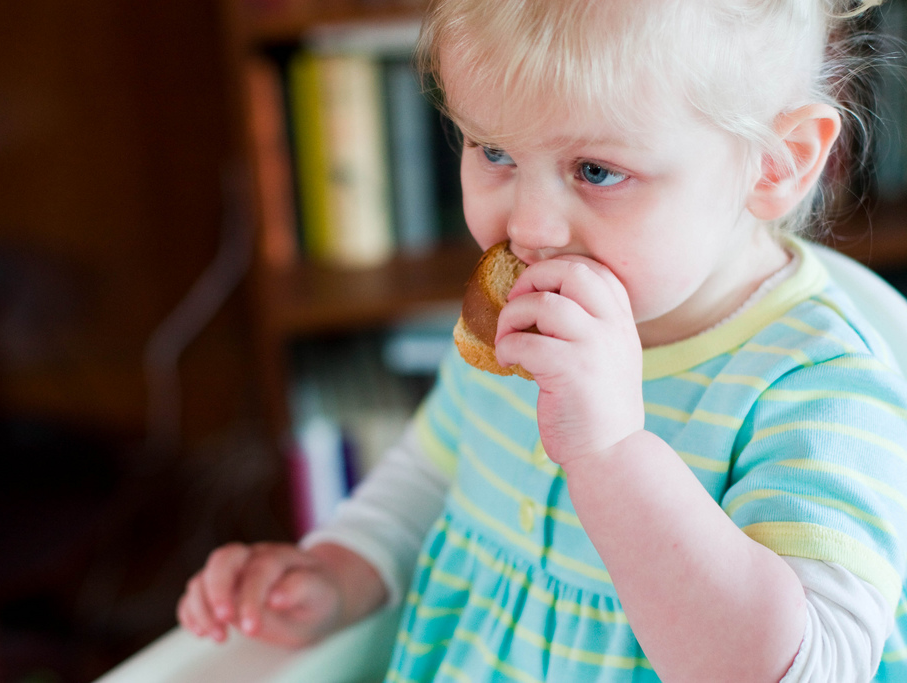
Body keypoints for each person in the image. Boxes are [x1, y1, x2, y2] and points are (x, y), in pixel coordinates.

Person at [178, 0, 907, 680]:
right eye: (494, 151)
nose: (527, 226)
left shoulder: (819, 389)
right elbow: (435, 470)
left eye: (596, 170)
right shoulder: (524, 320)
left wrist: (611, 454)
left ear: (778, 163)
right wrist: (339, 570)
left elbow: (807, 665)